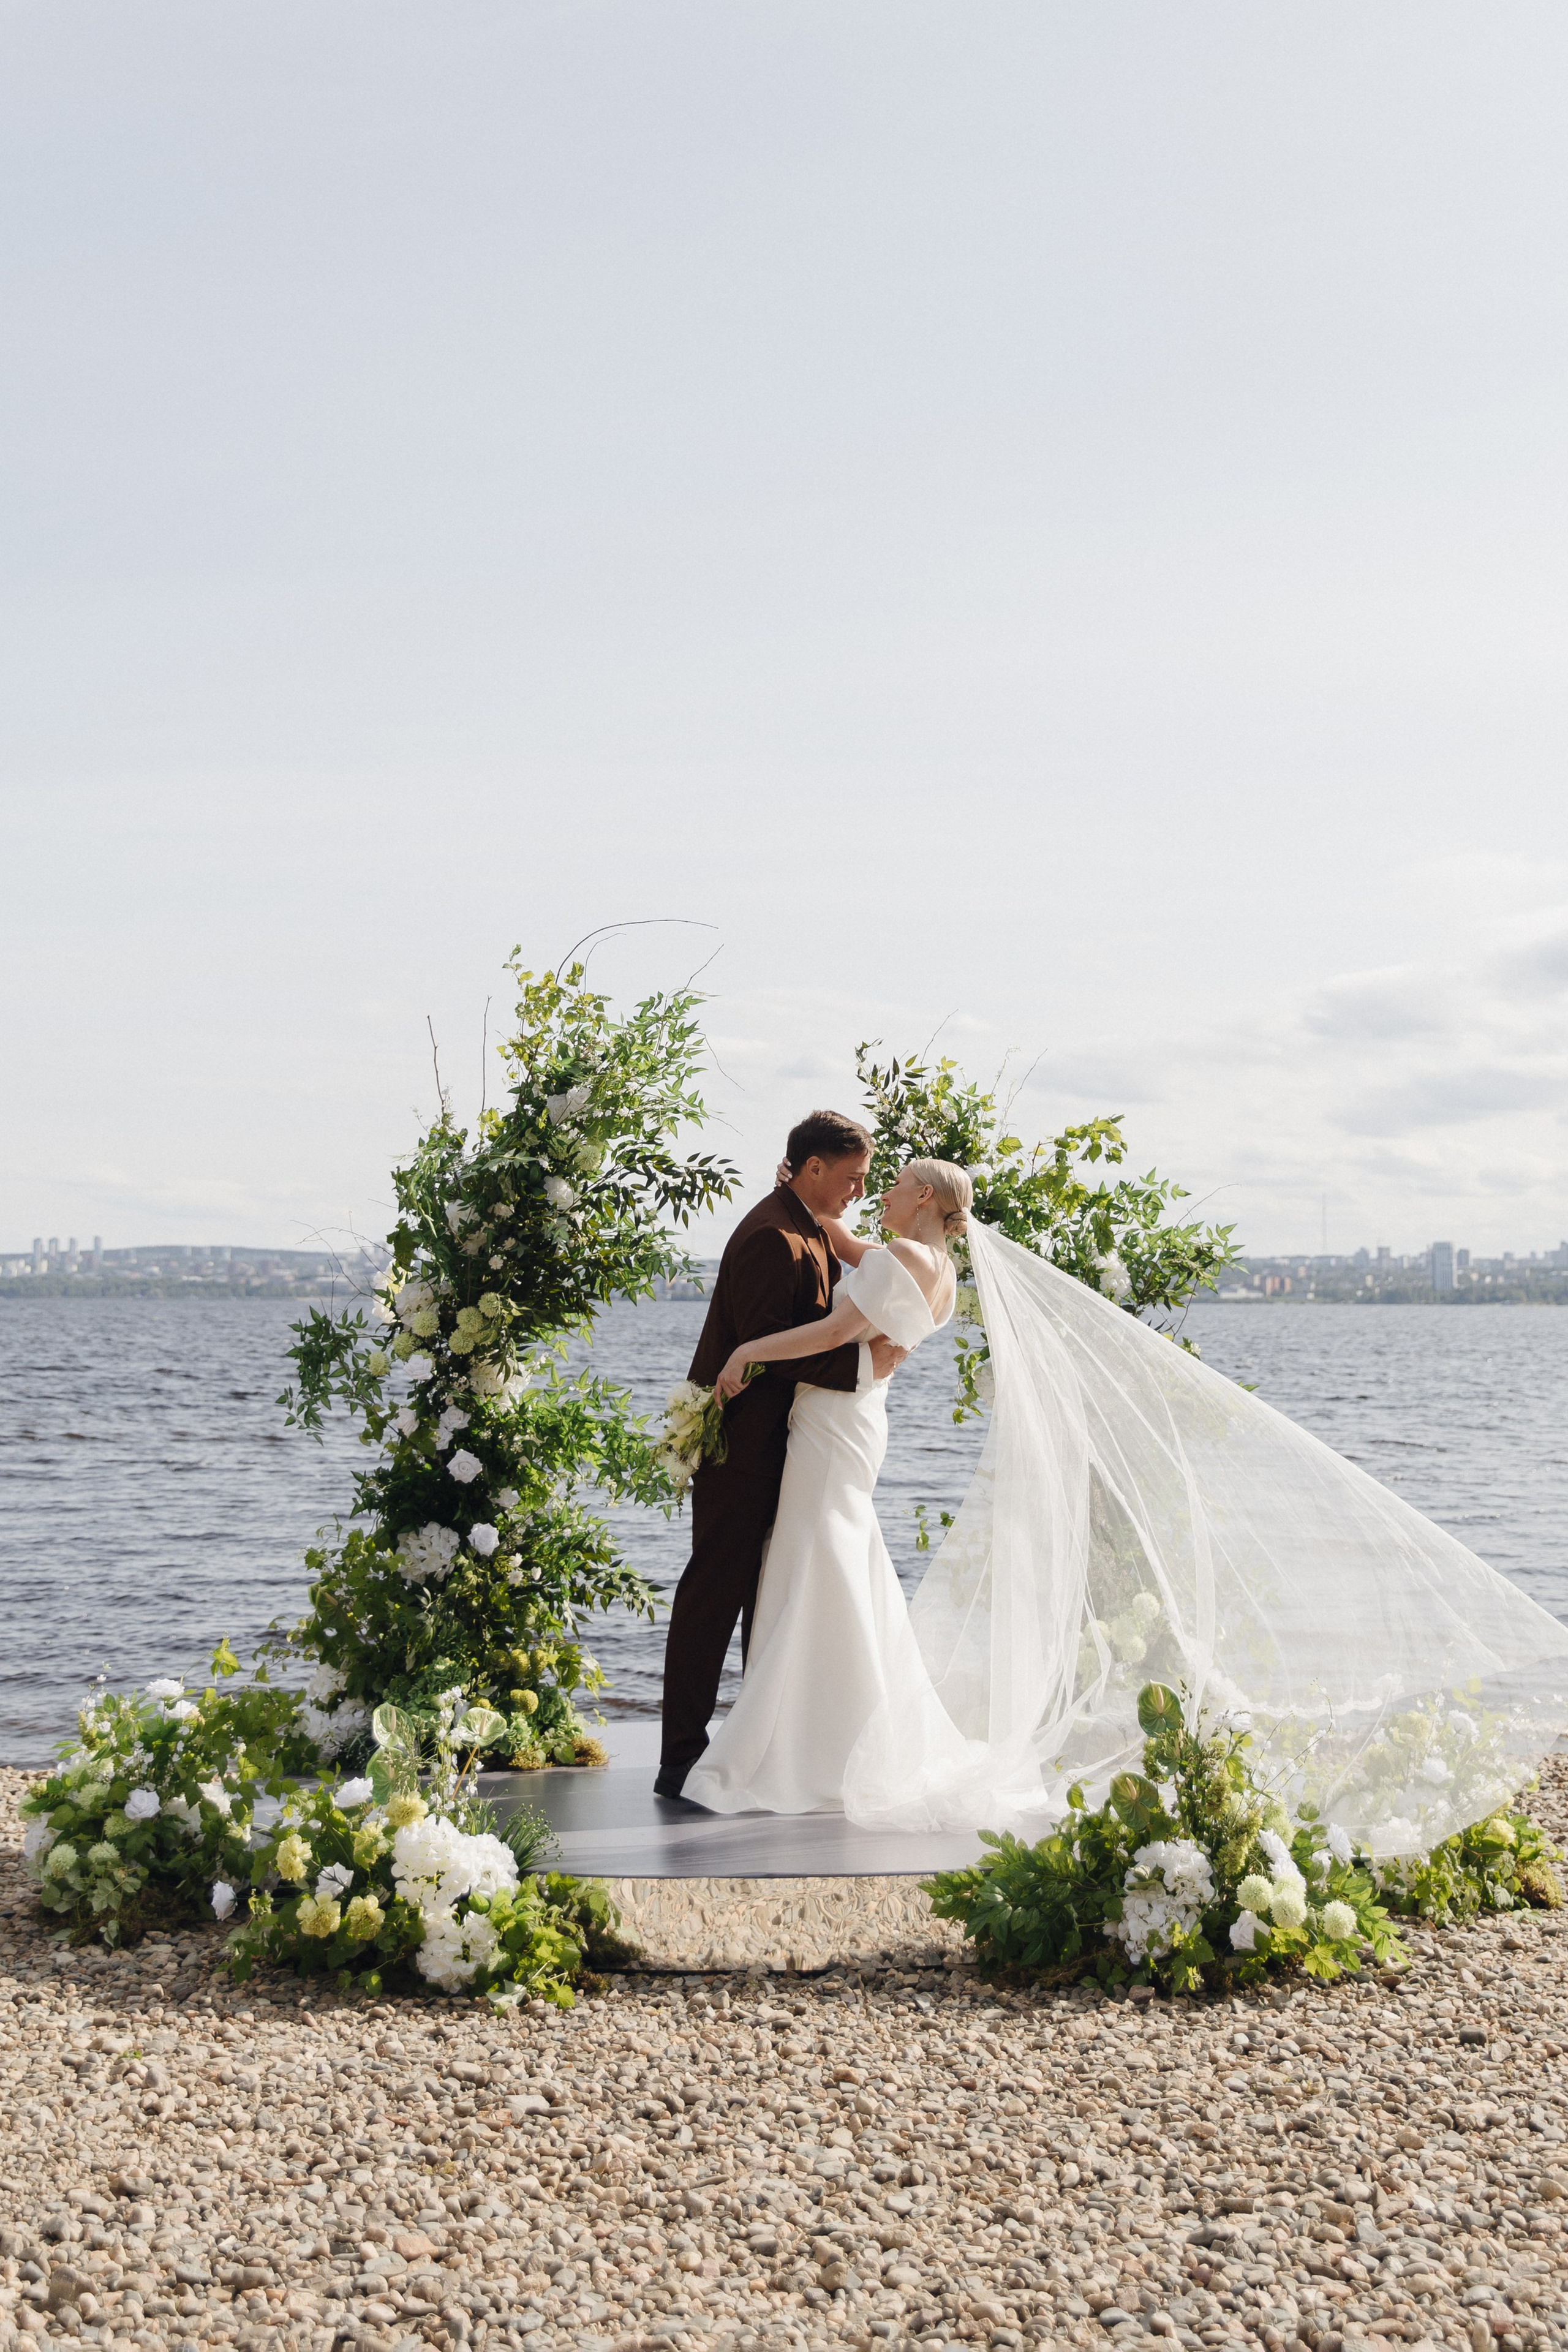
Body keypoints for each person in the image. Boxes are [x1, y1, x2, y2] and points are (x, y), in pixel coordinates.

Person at [681, 1156, 968, 1816]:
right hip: (857, 1415)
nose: (879, 1194)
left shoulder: (900, 1255)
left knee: (817, 1554)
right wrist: (792, 1189)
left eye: (892, 1185)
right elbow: (841, 1243)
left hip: (835, 1418)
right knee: (832, 1553)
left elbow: (838, 1331)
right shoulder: (940, 1269)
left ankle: (813, 1740)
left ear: (922, 1195)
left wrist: (746, 1350)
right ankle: (844, 1726)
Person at [654, 1110, 909, 1801]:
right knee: (715, 1593)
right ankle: (680, 1757)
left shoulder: (804, 1224)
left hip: (789, 1448)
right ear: (813, 1168)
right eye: (851, 1177)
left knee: (768, 1600)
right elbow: (776, 1354)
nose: (859, 1190)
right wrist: (870, 1367)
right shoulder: (773, 1236)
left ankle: (755, 1746)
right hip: (745, 1448)